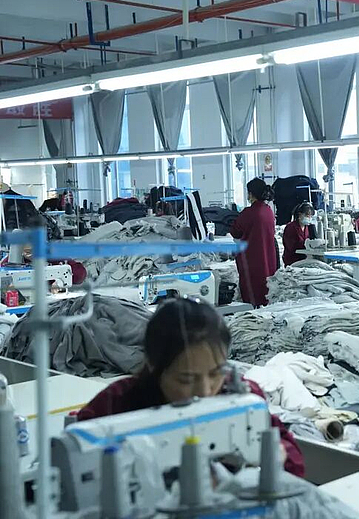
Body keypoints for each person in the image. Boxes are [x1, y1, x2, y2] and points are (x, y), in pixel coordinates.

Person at [77, 299, 305, 477]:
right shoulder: (115, 405)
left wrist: (279, 454)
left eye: (215, 373)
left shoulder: (242, 396)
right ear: (153, 366)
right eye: (186, 380)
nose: (205, 391)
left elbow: (292, 457)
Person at [229, 178, 278, 307]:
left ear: (250, 194)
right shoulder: (269, 211)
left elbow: (235, 231)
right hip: (268, 257)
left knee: (252, 293)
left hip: (252, 259)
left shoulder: (249, 213)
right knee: (266, 291)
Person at [283, 202, 316, 267]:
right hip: (292, 260)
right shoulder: (291, 227)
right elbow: (291, 246)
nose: (309, 218)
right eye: (307, 216)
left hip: (304, 260)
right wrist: (306, 244)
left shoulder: (307, 227)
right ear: (300, 215)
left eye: (311, 216)